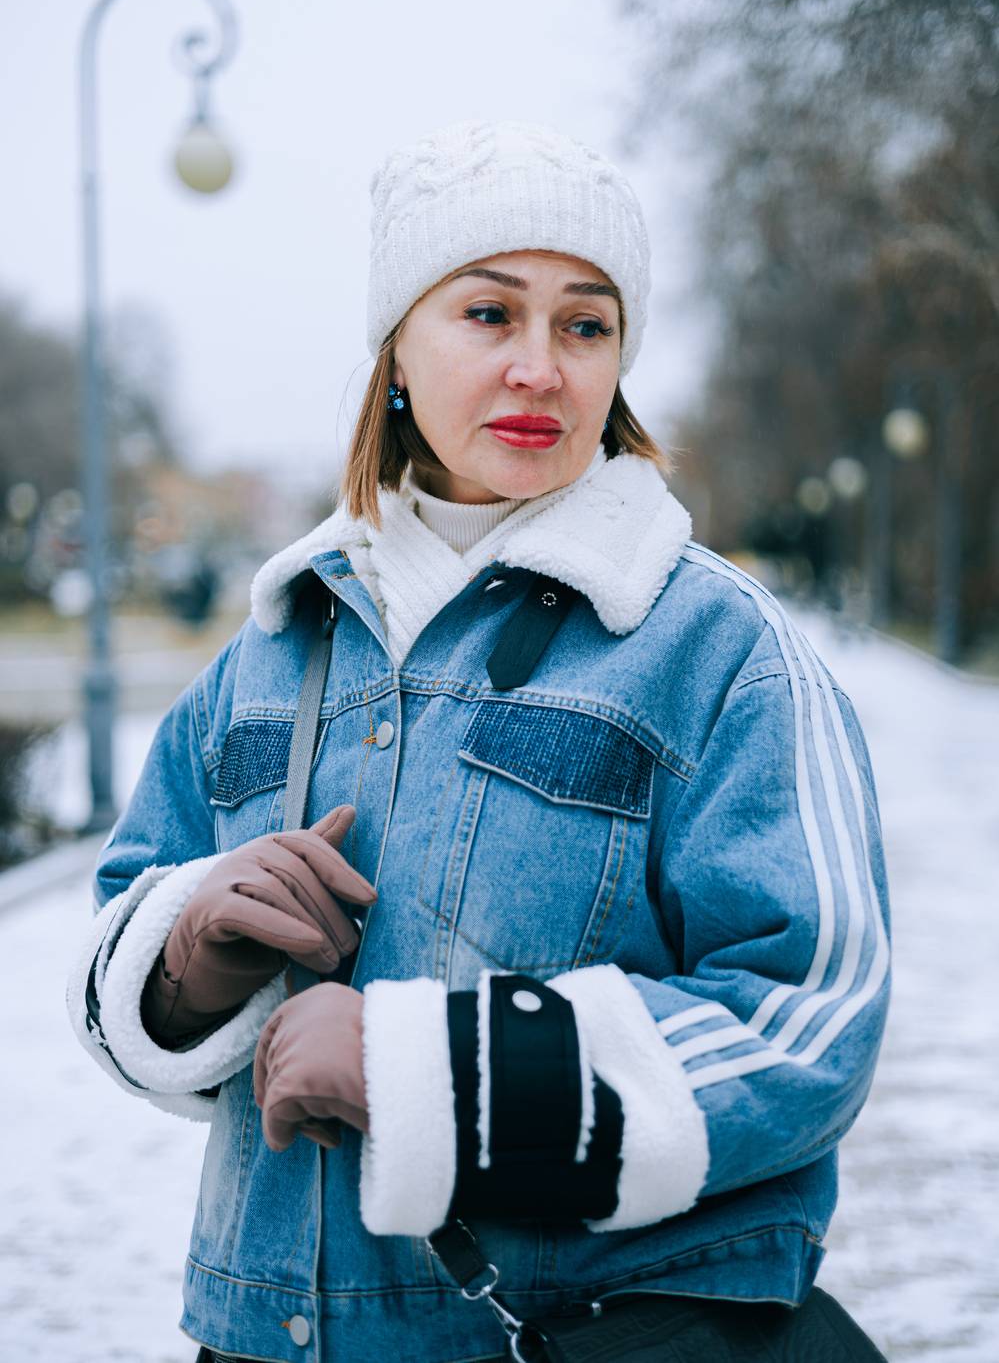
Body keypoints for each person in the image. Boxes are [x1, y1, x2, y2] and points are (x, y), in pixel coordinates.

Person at [66, 118, 891, 1363]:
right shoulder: (271, 649)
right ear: (396, 350)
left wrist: (430, 1079)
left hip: (573, 1337)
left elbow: (808, 1022)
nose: (540, 369)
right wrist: (187, 954)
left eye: (586, 325)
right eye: (490, 314)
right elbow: (116, 947)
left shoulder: (721, 648)